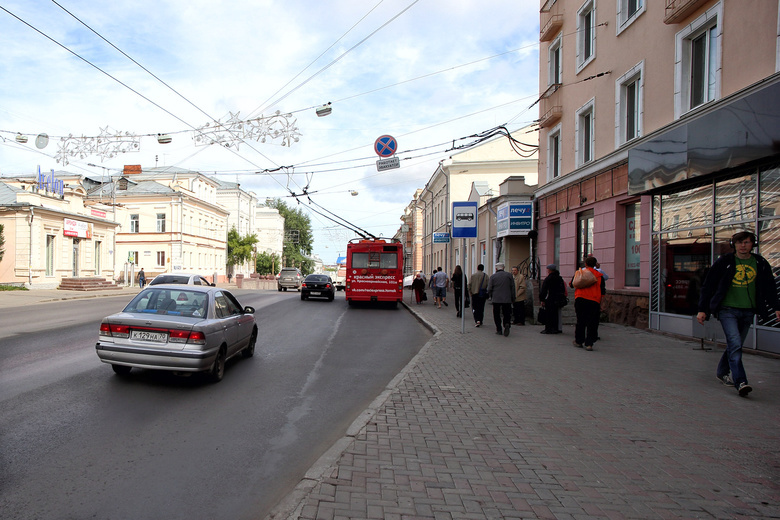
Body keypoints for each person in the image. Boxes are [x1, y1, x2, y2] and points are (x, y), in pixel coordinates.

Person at [696, 231, 780, 397]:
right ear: (734, 244)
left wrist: (776, 306)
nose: (743, 246)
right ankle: (740, 381)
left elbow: (769, 287)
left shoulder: (760, 263)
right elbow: (709, 286)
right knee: (734, 343)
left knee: (736, 345)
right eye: (740, 242)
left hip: (748, 310)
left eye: (747, 242)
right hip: (728, 310)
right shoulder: (725, 262)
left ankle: (722, 371)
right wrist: (702, 309)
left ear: (752, 245)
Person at [573, 257, 604, 350]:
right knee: (592, 323)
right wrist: (601, 303)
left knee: (580, 321)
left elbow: (572, 284)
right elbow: (602, 290)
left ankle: (579, 341)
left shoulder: (580, 273)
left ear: (585, 263)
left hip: (580, 298)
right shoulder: (599, 275)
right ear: (595, 264)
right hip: (594, 301)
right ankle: (589, 343)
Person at [487, 263, 515, 336]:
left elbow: (489, 288)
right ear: (503, 268)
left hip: (496, 299)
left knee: (496, 314)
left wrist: (489, 296)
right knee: (507, 313)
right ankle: (506, 323)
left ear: (496, 269)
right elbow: (512, 287)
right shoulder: (509, 275)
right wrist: (513, 297)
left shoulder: (493, 277)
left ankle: (499, 329)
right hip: (507, 298)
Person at [539, 264, 566, 335]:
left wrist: (542, 299)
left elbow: (544, 289)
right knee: (555, 314)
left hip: (550, 298)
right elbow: (562, 288)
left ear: (549, 270)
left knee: (549, 314)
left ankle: (549, 329)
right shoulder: (559, 278)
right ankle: (555, 328)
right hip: (558, 298)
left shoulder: (548, 278)